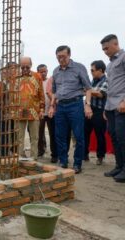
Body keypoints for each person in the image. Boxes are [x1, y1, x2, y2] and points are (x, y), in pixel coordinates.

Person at [48, 45, 92, 174]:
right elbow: (55, 92)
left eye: (63, 57)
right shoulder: (55, 71)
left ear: (69, 55)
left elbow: (88, 88)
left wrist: (87, 104)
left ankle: (77, 163)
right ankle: (63, 161)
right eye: (58, 57)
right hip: (60, 106)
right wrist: (52, 106)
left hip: (76, 105)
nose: (61, 59)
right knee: (60, 135)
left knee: (79, 136)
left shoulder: (79, 68)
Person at [100, 34, 125, 182]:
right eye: (103, 49)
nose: (105, 51)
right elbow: (110, 87)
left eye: (106, 48)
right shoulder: (109, 65)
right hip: (110, 105)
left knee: (122, 137)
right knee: (114, 136)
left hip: (121, 104)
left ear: (115, 44)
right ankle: (119, 166)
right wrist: (105, 107)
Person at [17, 57, 45, 160]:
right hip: (19, 111)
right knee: (19, 137)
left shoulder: (37, 76)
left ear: (31, 65)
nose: (24, 69)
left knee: (35, 137)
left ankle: (34, 157)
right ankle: (20, 156)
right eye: (22, 67)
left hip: (34, 111)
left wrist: (42, 110)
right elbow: (12, 96)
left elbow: (41, 94)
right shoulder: (15, 77)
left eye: (27, 67)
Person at [84, 60, 108, 165]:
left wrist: (87, 90)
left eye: (92, 70)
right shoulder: (92, 81)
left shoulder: (106, 80)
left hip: (100, 111)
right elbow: (87, 92)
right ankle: (84, 155)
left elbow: (100, 94)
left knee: (100, 135)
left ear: (100, 70)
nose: (91, 72)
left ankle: (100, 156)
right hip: (89, 109)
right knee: (85, 133)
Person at [37, 64, 57, 162]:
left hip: (51, 112)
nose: (43, 73)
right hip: (39, 112)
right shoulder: (36, 82)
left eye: (45, 71)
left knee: (52, 133)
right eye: (41, 71)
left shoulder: (51, 82)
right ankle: (40, 151)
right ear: (38, 72)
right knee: (39, 134)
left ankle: (54, 154)